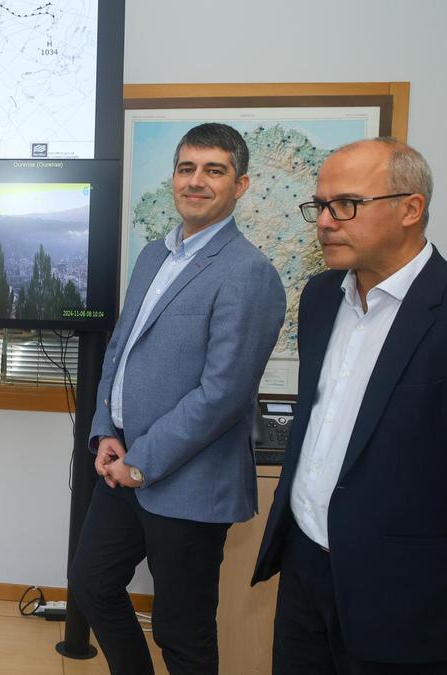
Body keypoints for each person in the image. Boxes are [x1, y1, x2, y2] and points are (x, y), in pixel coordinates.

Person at [252, 138, 447, 673]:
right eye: (320, 206)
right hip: (305, 567)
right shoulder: (321, 297)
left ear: (410, 209)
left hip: (408, 596)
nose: (326, 221)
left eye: (346, 204)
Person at [71, 122, 286, 674]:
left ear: (240, 186)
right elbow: (119, 351)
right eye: (186, 168)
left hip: (186, 483)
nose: (196, 181)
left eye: (214, 170)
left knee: (180, 633)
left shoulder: (249, 274)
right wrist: (105, 433)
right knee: (93, 586)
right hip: (122, 466)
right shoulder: (152, 256)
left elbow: (223, 394)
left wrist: (140, 464)